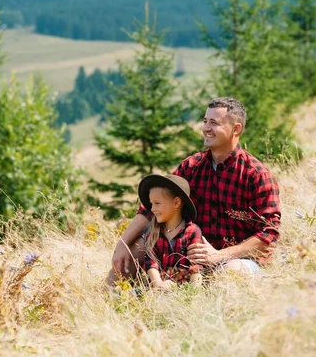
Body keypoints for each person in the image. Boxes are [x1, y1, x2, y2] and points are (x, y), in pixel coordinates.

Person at [107, 97, 281, 285]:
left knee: (229, 273)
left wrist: (219, 255)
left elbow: (269, 235)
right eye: (205, 121)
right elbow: (151, 207)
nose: (206, 128)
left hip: (238, 260)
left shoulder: (255, 174)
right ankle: (106, 305)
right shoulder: (191, 166)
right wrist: (123, 245)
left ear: (236, 129)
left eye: (214, 123)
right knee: (130, 255)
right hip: (188, 256)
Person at [138, 174, 203, 289]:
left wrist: (194, 291)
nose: (152, 209)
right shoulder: (153, 231)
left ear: (176, 203)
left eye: (157, 203)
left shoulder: (192, 231)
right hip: (157, 288)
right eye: (151, 204)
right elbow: (151, 263)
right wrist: (159, 284)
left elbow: (196, 266)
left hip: (183, 289)